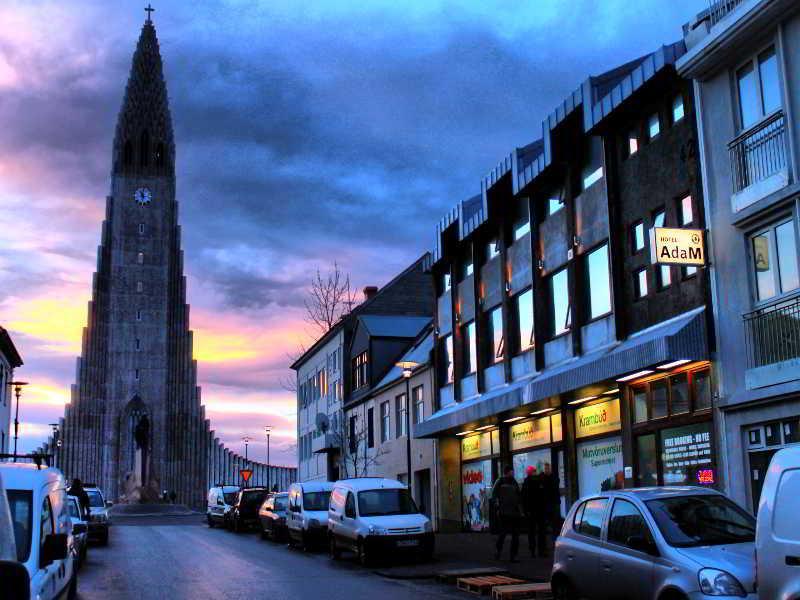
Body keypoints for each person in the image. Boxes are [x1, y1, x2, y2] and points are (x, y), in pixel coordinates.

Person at [491, 465, 523, 562]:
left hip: (514, 512)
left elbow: (518, 496)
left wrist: (520, 510)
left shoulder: (514, 482)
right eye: (511, 471)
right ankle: (498, 551)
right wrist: (497, 506)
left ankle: (513, 555)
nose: (513, 473)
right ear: (507, 472)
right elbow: (494, 494)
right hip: (504, 512)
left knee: (515, 535)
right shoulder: (500, 481)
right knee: (503, 533)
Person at [521, 465, 547, 557]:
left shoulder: (526, 483)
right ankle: (541, 550)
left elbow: (523, 498)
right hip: (538, 510)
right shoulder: (539, 481)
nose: (535, 472)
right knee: (540, 531)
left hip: (532, 511)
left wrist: (525, 510)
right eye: (534, 471)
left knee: (532, 531)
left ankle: (533, 550)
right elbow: (543, 496)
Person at [539, 463, 561, 552]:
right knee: (547, 524)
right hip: (546, 503)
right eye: (545, 468)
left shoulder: (553, 478)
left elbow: (554, 487)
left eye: (548, 468)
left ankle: (555, 542)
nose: (547, 470)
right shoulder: (543, 478)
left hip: (553, 503)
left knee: (555, 524)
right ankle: (548, 544)